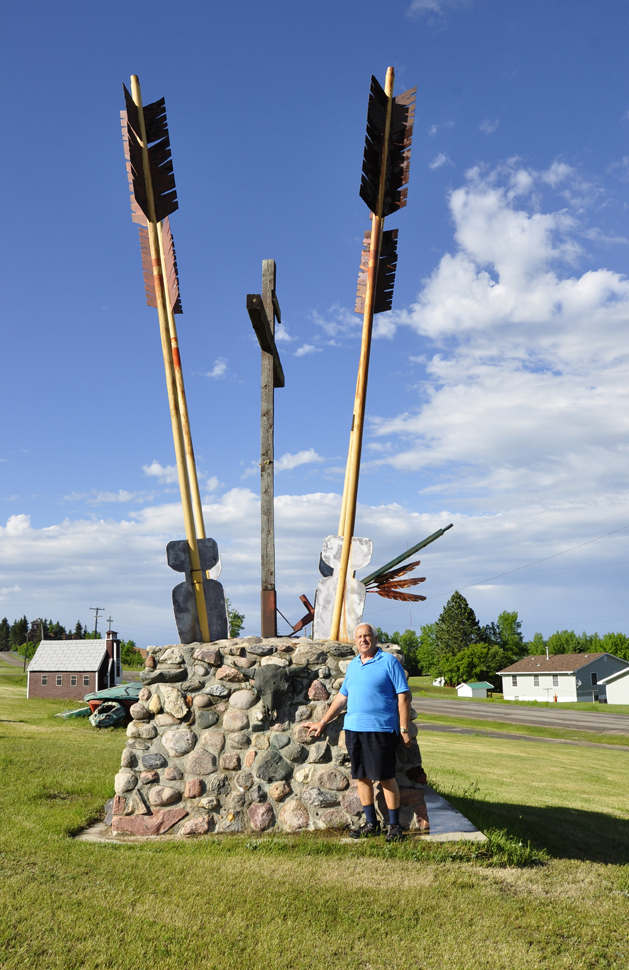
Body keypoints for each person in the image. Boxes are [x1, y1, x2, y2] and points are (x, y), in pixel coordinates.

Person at [305, 621, 412, 841]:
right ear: (355, 642)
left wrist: (404, 728)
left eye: (367, 636)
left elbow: (403, 695)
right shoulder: (353, 665)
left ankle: (394, 826)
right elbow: (342, 697)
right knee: (362, 777)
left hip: (381, 729)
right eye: (359, 637)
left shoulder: (389, 662)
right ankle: (371, 823)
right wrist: (323, 722)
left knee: (385, 777)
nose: (363, 640)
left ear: (375, 638)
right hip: (354, 729)